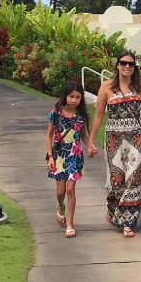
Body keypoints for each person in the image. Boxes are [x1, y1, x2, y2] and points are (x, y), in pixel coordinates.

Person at [88, 50, 141, 238]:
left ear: (135, 68)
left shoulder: (140, 87)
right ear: (117, 65)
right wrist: (91, 140)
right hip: (113, 141)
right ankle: (114, 211)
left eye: (131, 64)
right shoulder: (107, 87)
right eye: (123, 63)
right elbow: (99, 115)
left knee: (132, 179)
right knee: (117, 180)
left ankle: (127, 222)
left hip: (136, 140)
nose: (127, 67)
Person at [46, 79, 91, 239]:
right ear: (65, 96)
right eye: (71, 96)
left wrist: (90, 145)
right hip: (59, 157)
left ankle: (70, 224)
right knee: (61, 192)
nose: (74, 100)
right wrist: (50, 156)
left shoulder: (81, 116)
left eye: (78, 97)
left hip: (75, 156)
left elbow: (84, 135)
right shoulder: (55, 113)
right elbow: (49, 135)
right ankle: (61, 207)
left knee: (71, 189)